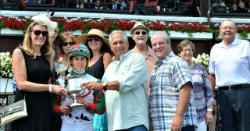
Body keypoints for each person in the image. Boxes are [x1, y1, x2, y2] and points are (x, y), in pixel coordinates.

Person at [86, 30, 149, 131]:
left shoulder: (137, 59)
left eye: (121, 42)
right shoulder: (110, 67)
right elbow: (102, 94)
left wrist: (102, 86)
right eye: (115, 43)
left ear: (127, 43)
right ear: (111, 47)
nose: (118, 45)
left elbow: (127, 84)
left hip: (135, 123)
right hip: (114, 124)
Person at [11, 20, 66, 131]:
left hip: (45, 106)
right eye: (37, 32)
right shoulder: (19, 52)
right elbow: (21, 84)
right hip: (26, 108)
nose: (41, 35)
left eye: (44, 33)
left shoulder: (47, 55)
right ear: (30, 34)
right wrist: (50, 87)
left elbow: (49, 82)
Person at [149, 31, 197, 131]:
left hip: (180, 125)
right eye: (154, 44)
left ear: (169, 44)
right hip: (164, 125)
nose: (157, 46)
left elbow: (186, 89)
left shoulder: (177, 62)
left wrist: (179, 116)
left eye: (161, 43)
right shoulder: (156, 67)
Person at [209, 19, 250, 131]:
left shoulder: (246, 45)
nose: (228, 30)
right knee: (227, 127)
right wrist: (211, 97)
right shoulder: (215, 49)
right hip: (223, 94)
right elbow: (212, 75)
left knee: (245, 127)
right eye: (225, 28)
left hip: (244, 92)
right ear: (220, 30)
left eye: (230, 28)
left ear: (235, 30)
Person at [54, 44, 106, 131]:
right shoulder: (60, 81)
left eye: (82, 59)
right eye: (76, 59)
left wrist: (87, 104)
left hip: (87, 126)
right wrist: (61, 109)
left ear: (87, 60)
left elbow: (101, 108)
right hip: (67, 126)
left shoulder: (95, 82)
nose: (80, 62)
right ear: (71, 61)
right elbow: (52, 104)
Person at [76, 29, 112, 131]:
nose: (93, 42)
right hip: (87, 100)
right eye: (90, 39)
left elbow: (109, 79)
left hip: (101, 100)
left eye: (96, 39)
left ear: (101, 42)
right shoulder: (87, 59)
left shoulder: (106, 56)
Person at [177, 39, 214, 131]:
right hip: (183, 116)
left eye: (190, 50)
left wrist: (209, 111)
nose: (188, 52)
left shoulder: (200, 68)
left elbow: (209, 91)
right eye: (184, 50)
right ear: (179, 53)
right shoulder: (176, 70)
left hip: (200, 115)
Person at [130, 22, 157, 95]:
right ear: (132, 36)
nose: (141, 35)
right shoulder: (128, 57)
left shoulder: (157, 55)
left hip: (155, 96)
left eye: (144, 33)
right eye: (137, 33)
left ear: (147, 36)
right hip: (135, 98)